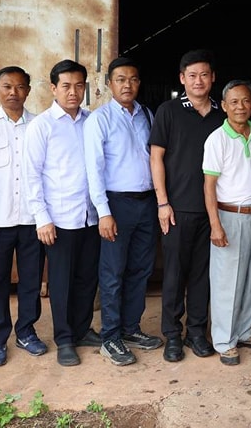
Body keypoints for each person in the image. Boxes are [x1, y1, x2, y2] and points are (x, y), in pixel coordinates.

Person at [84, 57, 163, 367]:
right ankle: (110, 336)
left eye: (132, 79)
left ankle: (131, 327)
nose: (127, 85)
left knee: (141, 269)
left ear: (139, 83)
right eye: (120, 79)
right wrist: (103, 212)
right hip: (116, 205)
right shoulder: (99, 120)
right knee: (113, 273)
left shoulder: (148, 115)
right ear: (109, 84)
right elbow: (94, 169)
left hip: (146, 203)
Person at [24, 59, 101, 367]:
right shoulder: (42, 126)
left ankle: (82, 329)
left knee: (87, 277)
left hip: (89, 216)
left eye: (79, 86)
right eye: (66, 86)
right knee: (61, 282)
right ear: (53, 88)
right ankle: (65, 338)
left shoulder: (91, 121)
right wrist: (42, 218)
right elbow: (32, 175)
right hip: (59, 219)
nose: (73, 92)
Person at [149, 49, 224, 362]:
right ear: (182, 79)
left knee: (203, 275)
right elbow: (156, 158)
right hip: (177, 209)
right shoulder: (168, 111)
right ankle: (172, 335)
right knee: (175, 274)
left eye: (204, 75)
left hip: (212, 210)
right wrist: (162, 202)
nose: (198, 81)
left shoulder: (222, 114)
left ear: (213, 78)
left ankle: (196, 332)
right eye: (192, 75)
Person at [0, 66, 47, 369]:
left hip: (32, 218)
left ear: (28, 90)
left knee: (31, 279)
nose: (13, 93)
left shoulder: (40, 125)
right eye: (7, 86)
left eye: (19, 87)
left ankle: (26, 332)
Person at [202, 80, 251, 366]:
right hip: (229, 216)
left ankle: (244, 331)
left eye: (245, 101)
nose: (240, 107)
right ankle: (224, 341)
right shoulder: (217, 139)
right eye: (234, 102)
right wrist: (215, 225)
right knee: (226, 282)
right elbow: (209, 186)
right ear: (224, 106)